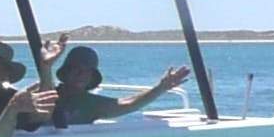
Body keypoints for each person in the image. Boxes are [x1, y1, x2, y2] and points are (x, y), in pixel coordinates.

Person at [44, 46, 192, 126]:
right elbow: (44, 103)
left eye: (86, 72)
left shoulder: (91, 104)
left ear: (91, 78)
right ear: (66, 72)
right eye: (76, 69)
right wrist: (45, 67)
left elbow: (126, 104)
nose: (80, 75)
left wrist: (161, 88)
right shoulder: (47, 94)